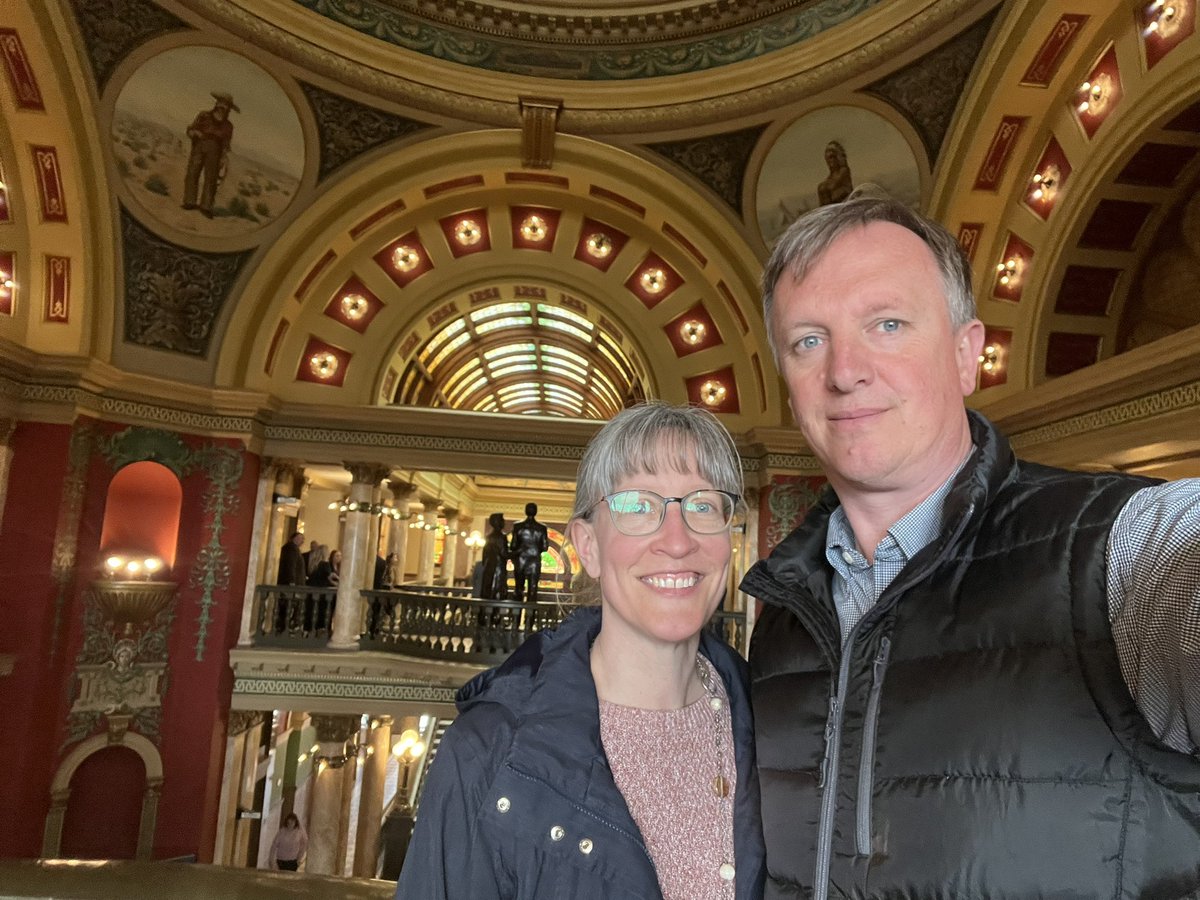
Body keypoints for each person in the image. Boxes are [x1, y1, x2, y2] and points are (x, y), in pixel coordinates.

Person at [742, 194, 1200, 898]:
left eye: (886, 324)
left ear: (965, 355)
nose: (844, 370)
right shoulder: (780, 617)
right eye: (808, 340)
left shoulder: (1113, 553)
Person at [396, 402, 765, 899]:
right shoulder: (487, 753)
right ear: (587, 546)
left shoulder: (775, 723)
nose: (677, 541)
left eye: (702, 505)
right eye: (637, 506)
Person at [181, 92, 237, 218]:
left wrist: (223, 158)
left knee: (211, 178)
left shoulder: (228, 126)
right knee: (192, 172)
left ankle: (206, 207)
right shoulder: (204, 115)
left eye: (226, 105)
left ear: (228, 109)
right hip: (199, 146)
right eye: (221, 103)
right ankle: (189, 202)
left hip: (215, 151)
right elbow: (190, 129)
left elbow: (226, 144)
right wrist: (194, 133)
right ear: (217, 103)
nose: (223, 107)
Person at [509, 502, 549, 603]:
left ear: (525, 511)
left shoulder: (517, 526)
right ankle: (529, 618)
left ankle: (516, 617)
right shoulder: (542, 528)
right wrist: (535, 549)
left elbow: (513, 545)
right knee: (533, 590)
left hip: (520, 561)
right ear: (536, 512)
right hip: (534, 562)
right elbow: (545, 547)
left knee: (518, 589)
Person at [479, 512, 508, 600]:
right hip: (498, 569)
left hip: (488, 568)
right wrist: (517, 553)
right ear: (497, 522)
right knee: (497, 592)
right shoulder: (502, 537)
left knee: (487, 592)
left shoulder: (488, 537)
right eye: (502, 520)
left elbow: (484, 557)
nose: (504, 522)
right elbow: (504, 553)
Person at [815, 140, 852, 207]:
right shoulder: (830, 177)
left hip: (843, 205)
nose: (830, 161)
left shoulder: (844, 171)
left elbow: (833, 185)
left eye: (832, 157)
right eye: (828, 158)